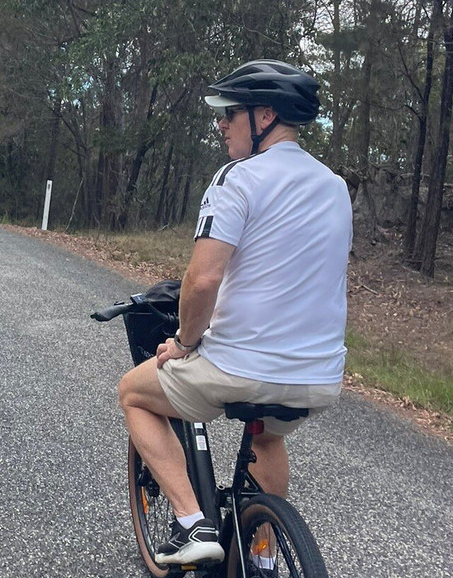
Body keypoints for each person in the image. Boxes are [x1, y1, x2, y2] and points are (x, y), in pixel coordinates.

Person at [117, 59, 352, 566]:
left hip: (240, 366)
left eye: (230, 113)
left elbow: (203, 279)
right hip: (317, 374)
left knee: (133, 393)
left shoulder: (238, 179)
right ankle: (262, 556)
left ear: (264, 116)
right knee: (268, 434)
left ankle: (191, 524)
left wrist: (184, 342)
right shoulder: (334, 187)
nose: (221, 124)